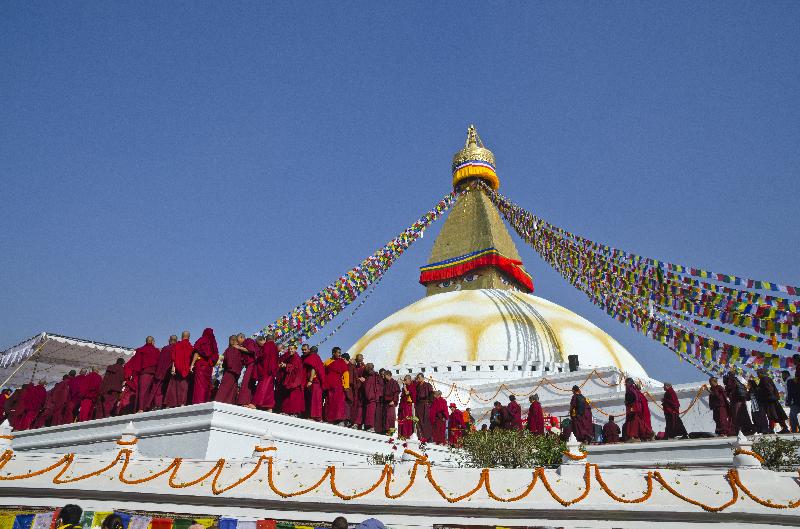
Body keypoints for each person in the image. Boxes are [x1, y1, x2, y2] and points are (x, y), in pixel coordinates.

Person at [191, 328, 220, 404]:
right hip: (209, 366)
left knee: (199, 385)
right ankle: (205, 401)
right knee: (206, 385)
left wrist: (192, 364)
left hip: (201, 364)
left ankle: (198, 402)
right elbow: (216, 355)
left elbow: (197, 352)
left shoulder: (202, 340)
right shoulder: (213, 342)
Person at [756, 368, 790, 433]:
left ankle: (772, 429)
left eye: (758, 373)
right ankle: (783, 428)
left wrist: (759, 390)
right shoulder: (767, 379)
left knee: (772, 414)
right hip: (772, 399)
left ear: (761, 373)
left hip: (769, 400)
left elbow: (768, 389)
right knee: (777, 414)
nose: (757, 375)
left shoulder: (764, 379)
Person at [165, 331, 193, 408]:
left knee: (174, 386)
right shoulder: (190, 346)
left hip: (177, 368)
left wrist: (173, 368)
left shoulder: (177, 345)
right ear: (189, 337)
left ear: (181, 336)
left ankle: (171, 404)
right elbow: (191, 358)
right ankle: (182, 403)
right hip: (186, 369)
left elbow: (174, 357)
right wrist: (191, 367)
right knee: (184, 387)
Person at [133, 336, 160, 412]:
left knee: (142, 391)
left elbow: (137, 363)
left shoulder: (141, 350)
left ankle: (141, 408)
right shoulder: (156, 351)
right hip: (154, 374)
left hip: (144, 373)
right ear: (152, 342)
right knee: (152, 391)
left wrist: (136, 374)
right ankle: (148, 407)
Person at [252, 334, 278, 411]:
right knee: (270, 389)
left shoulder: (267, 345)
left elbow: (264, 355)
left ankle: (255, 403)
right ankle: (269, 407)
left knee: (262, 386)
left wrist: (258, 355)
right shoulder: (275, 347)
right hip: (272, 371)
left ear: (266, 340)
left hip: (266, 370)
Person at [324, 347, 350, 424]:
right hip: (329, 385)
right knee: (329, 402)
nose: (339, 354)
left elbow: (346, 374)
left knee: (338, 402)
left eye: (340, 353)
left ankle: (339, 419)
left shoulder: (341, 362)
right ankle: (329, 419)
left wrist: (346, 386)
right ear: (333, 353)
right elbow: (323, 371)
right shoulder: (327, 362)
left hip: (338, 385)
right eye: (338, 352)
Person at [215, 335, 243, 404]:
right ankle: (229, 403)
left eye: (233, 340)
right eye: (232, 340)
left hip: (229, 371)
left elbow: (226, 362)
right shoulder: (240, 350)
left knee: (224, 388)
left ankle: (219, 401)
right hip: (236, 372)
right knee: (232, 389)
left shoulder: (229, 349)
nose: (233, 341)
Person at [278, 344, 305, 415]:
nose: (290, 350)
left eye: (292, 349)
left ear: (295, 349)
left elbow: (295, 368)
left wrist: (286, 365)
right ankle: (286, 411)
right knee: (288, 396)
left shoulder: (297, 357)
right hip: (290, 378)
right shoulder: (290, 357)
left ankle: (294, 412)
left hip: (296, 379)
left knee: (294, 396)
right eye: (289, 349)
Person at [301, 344, 326, 421]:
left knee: (314, 399)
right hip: (318, 382)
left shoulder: (312, 357)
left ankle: (314, 417)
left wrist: (310, 381)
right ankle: (314, 416)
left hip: (314, 381)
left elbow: (313, 369)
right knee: (316, 399)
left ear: (310, 351)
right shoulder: (318, 358)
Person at [152, 335, 177, 410]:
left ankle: (158, 405)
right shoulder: (176, 348)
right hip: (170, 372)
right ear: (176, 341)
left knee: (160, 389)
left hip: (161, 371)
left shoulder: (164, 348)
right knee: (168, 389)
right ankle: (167, 404)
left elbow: (159, 360)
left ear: (169, 340)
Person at [236, 333, 260, 408]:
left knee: (246, 382)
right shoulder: (244, 344)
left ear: (241, 337)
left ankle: (245, 401)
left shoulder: (249, 341)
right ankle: (248, 401)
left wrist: (239, 348)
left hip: (252, 364)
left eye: (238, 340)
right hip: (249, 365)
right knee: (248, 383)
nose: (238, 342)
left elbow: (251, 350)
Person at [414, 373, 434, 441]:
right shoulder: (417, 386)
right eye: (418, 378)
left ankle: (428, 437)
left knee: (426, 421)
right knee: (419, 421)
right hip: (419, 405)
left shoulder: (428, 385)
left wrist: (430, 403)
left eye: (419, 378)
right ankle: (421, 436)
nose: (418, 379)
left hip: (425, 404)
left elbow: (431, 394)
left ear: (423, 378)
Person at [349, 353, 366, 429]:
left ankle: (358, 422)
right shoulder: (354, 366)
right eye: (357, 360)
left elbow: (366, 377)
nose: (359, 362)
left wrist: (363, 379)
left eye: (360, 359)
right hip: (355, 388)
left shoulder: (365, 367)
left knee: (360, 406)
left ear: (362, 359)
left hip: (362, 389)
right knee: (353, 405)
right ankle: (352, 421)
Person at [362, 363, 381, 432]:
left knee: (371, 412)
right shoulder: (375, 375)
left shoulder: (371, 376)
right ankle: (368, 426)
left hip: (371, 397)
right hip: (373, 396)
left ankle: (371, 426)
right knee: (369, 412)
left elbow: (368, 387)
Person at [785, 369, 800, 433]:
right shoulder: (791, 381)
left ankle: (795, 429)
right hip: (795, 402)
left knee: (794, 416)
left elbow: (790, 393)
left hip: (794, 402)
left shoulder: (790, 382)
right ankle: (794, 429)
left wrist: (788, 401)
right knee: (793, 416)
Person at [374, 369, 386, 434]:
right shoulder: (378, 379)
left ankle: (383, 429)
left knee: (383, 415)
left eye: (384, 374)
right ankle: (378, 429)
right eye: (382, 374)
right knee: (378, 414)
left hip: (384, 399)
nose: (383, 375)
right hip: (379, 398)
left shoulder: (386, 380)